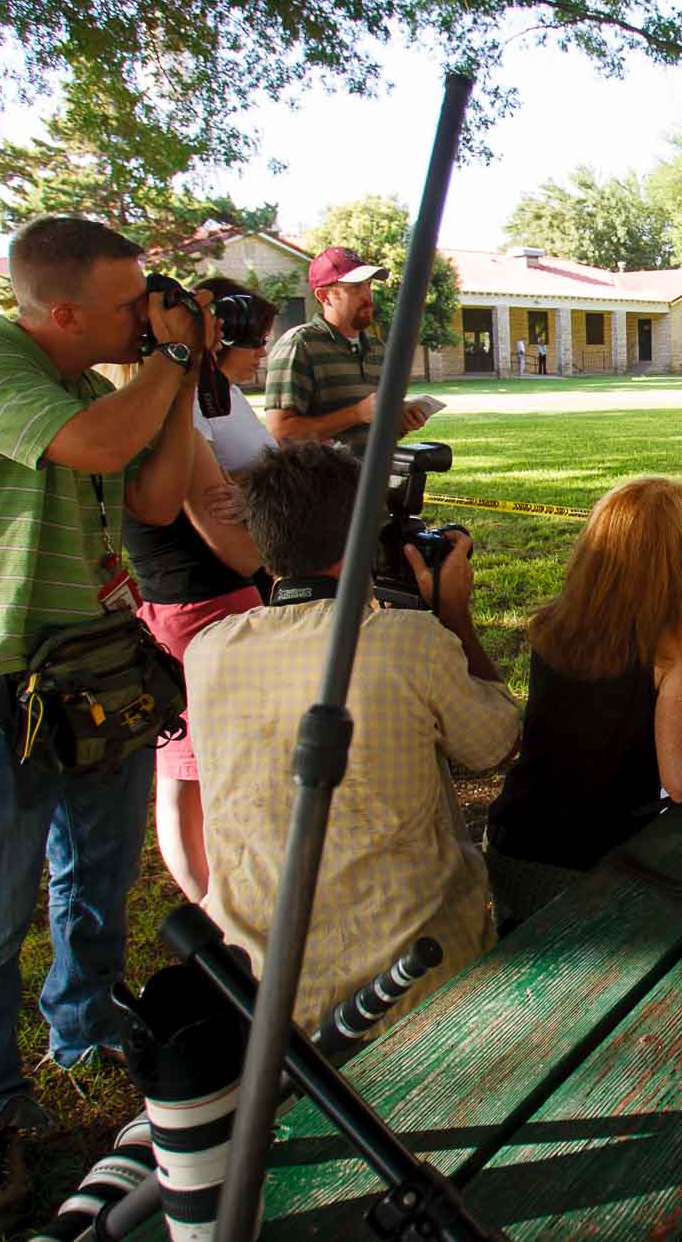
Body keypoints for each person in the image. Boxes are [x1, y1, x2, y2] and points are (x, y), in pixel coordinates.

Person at [0, 214, 214, 1236]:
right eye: (132, 302)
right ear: (65, 307)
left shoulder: (94, 387)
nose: (150, 312)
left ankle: (83, 1027)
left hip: (90, 675)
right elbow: (92, 446)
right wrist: (168, 358)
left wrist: (180, 377)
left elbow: (156, 496)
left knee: (96, 867)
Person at [184, 441, 520, 1033]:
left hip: (260, 987)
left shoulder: (207, 651)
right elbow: (496, 742)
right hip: (413, 982)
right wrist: (454, 619)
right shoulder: (406, 642)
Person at [486, 477, 682, 913]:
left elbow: (610, 714)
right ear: (672, 556)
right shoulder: (673, 646)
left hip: (512, 841)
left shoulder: (556, 622)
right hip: (586, 864)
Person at [121, 277, 280, 902]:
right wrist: (272, 508)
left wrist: (253, 496)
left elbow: (236, 499)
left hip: (219, 601)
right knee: (192, 773)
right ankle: (213, 909)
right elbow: (233, 538)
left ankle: (229, 904)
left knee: (207, 765)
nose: (219, 329)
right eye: (206, 318)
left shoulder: (200, 397)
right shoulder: (175, 407)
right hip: (198, 606)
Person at [264, 246, 427, 451]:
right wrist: (356, 413)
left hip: (376, 479)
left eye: (368, 285)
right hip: (325, 481)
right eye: (356, 287)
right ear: (324, 296)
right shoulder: (299, 344)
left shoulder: (378, 350)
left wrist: (400, 421)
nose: (368, 296)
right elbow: (281, 433)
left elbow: (371, 429)